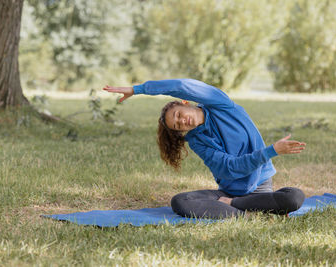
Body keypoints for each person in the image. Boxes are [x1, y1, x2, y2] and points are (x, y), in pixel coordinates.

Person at [103, 79, 306, 219]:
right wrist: (271, 151)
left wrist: (139, 89)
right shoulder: (197, 141)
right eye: (177, 126)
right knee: (181, 201)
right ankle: (248, 211)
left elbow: (182, 85)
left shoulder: (221, 105)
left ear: (185, 103)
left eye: (179, 114)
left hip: (260, 188)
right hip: (228, 193)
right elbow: (230, 169)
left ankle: (241, 207)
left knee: (293, 197)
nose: (182, 121)